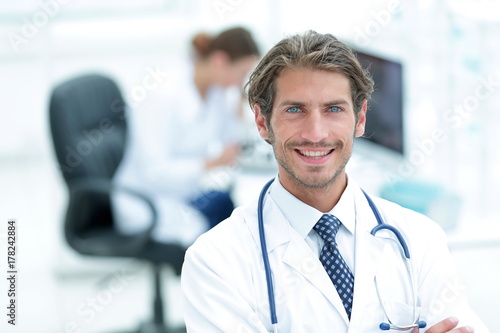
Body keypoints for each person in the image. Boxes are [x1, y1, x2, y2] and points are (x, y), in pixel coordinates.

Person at [181, 31, 489, 332]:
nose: (316, 133)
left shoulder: (419, 239)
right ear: (262, 122)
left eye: (333, 109)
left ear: (361, 118)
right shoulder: (214, 263)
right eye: (294, 109)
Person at [112, 27, 259, 247]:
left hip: (182, 192)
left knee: (233, 209)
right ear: (220, 61)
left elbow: (231, 141)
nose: (241, 81)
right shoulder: (163, 96)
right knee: (221, 241)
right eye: (241, 73)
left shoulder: (216, 91)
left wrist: (240, 98)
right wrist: (213, 162)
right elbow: (155, 172)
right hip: (148, 202)